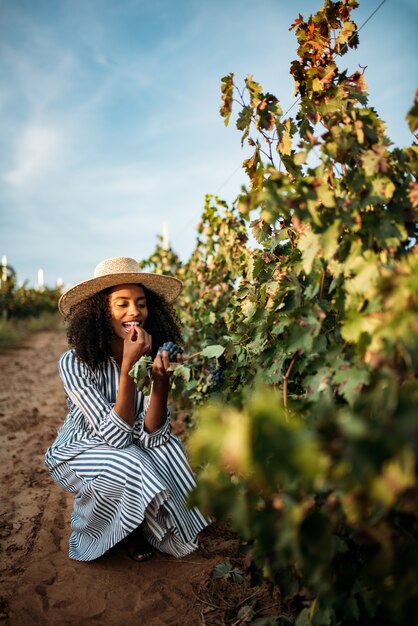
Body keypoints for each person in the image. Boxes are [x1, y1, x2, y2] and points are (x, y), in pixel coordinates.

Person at [45, 257, 209, 562]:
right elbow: (115, 438)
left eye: (141, 303)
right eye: (122, 304)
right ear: (100, 312)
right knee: (130, 460)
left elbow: (153, 436)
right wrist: (128, 368)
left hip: (130, 443)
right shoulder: (75, 362)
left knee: (167, 451)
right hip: (78, 451)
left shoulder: (152, 355)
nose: (135, 311)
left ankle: (153, 523)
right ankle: (107, 531)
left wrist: (160, 384)